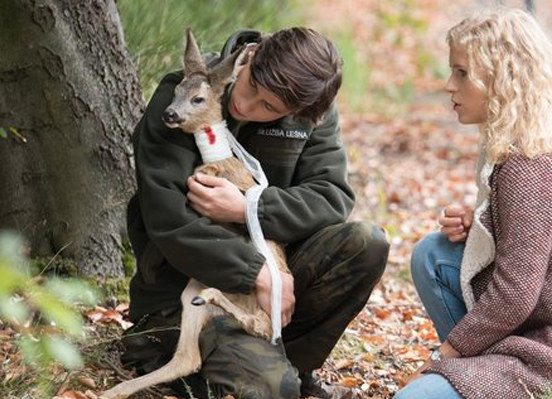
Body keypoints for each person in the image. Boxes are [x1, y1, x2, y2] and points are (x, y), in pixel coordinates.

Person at [121, 27, 389, 399]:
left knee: (366, 242)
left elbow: (331, 198)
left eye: (269, 108)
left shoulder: (312, 114)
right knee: (271, 390)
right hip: (186, 286)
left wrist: (248, 207)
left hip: (269, 279)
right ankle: (156, 343)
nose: (246, 107)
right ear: (252, 55)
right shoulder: (184, 93)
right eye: (249, 87)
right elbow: (168, 218)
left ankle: (291, 361)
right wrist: (255, 273)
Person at [396, 9, 552, 399]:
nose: (449, 85)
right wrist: (485, 222)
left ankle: (475, 377)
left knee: (413, 398)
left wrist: (442, 357)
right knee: (435, 254)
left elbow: (515, 294)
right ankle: (476, 373)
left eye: (462, 73)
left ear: (502, 77)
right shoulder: (539, 138)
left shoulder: (532, 164)